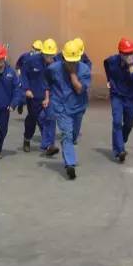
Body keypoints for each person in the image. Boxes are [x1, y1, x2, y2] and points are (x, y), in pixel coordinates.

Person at [46, 40, 91, 180]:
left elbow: (79, 89)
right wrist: (49, 96)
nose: (71, 64)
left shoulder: (84, 70)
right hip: (61, 107)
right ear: (63, 58)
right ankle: (70, 164)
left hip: (78, 107)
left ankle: (69, 152)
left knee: (73, 135)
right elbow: (47, 82)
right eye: (69, 61)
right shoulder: (53, 69)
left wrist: (73, 75)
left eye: (74, 61)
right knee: (66, 134)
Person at [104, 38, 133, 163]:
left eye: (131, 53)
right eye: (126, 53)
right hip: (117, 95)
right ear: (120, 53)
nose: (128, 55)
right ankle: (120, 150)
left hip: (131, 98)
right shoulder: (112, 60)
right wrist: (109, 80)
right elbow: (106, 64)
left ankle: (120, 141)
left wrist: (131, 66)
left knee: (128, 124)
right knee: (117, 122)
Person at [21, 38, 59, 155]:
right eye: (47, 55)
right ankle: (27, 138)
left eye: (52, 55)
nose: (50, 58)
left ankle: (49, 145)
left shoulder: (56, 63)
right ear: (42, 53)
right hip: (33, 96)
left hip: (49, 95)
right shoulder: (31, 61)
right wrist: (26, 89)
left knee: (49, 118)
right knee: (32, 120)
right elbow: (23, 74)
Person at [15, 40, 43, 114]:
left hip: (34, 80)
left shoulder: (41, 59)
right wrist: (19, 73)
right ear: (32, 48)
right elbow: (18, 65)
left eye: (39, 50)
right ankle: (20, 104)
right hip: (24, 77)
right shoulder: (25, 56)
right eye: (35, 49)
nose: (37, 51)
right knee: (23, 93)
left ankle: (34, 113)